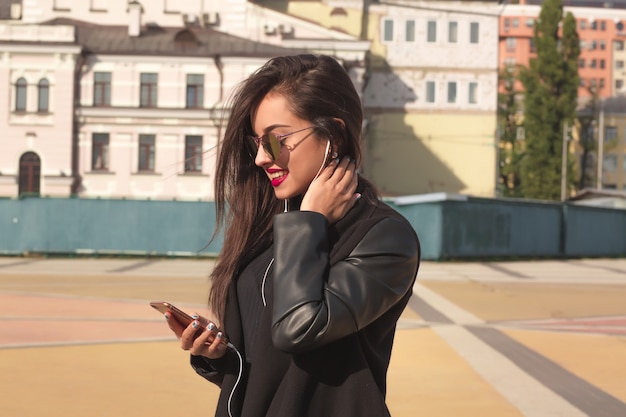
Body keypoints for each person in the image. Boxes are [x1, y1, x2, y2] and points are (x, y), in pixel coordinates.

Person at [164, 54, 420, 417]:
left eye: (276, 141)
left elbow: (298, 330)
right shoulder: (274, 224)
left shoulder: (385, 237)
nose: (260, 159)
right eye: (257, 144)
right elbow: (271, 365)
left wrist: (310, 221)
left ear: (332, 133)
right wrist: (219, 356)